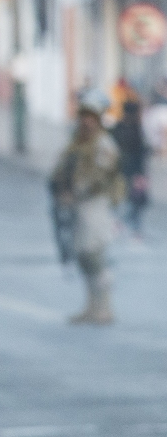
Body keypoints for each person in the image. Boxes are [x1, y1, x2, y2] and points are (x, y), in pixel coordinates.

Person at [51, 90, 123, 325]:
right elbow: (62, 168)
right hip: (76, 206)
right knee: (82, 255)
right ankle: (91, 306)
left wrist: (77, 193)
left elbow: (100, 177)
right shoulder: (76, 143)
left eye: (91, 116)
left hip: (95, 204)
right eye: (83, 116)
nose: (86, 121)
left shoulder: (104, 144)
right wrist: (60, 189)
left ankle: (105, 307)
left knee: (95, 255)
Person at [111, 100, 149, 236]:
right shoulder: (134, 128)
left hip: (126, 170)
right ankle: (131, 227)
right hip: (127, 170)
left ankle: (127, 226)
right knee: (131, 201)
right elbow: (142, 152)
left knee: (131, 201)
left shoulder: (119, 127)